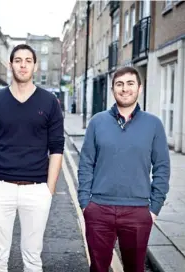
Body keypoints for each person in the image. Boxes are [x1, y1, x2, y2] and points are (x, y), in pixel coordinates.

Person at [0, 44, 64, 272]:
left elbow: (57, 148)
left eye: (28, 60)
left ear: (35, 66)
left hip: (36, 190)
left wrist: (50, 188)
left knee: (33, 257)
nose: (23, 64)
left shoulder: (49, 102)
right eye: (18, 60)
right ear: (11, 64)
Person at [78, 66, 170, 272]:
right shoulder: (97, 122)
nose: (125, 89)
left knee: (135, 268)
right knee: (98, 268)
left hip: (137, 211)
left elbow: (162, 167)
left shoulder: (153, 124)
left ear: (139, 88)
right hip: (99, 209)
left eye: (130, 83)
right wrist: (86, 203)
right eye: (119, 84)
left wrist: (154, 208)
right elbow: (85, 164)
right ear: (113, 90)